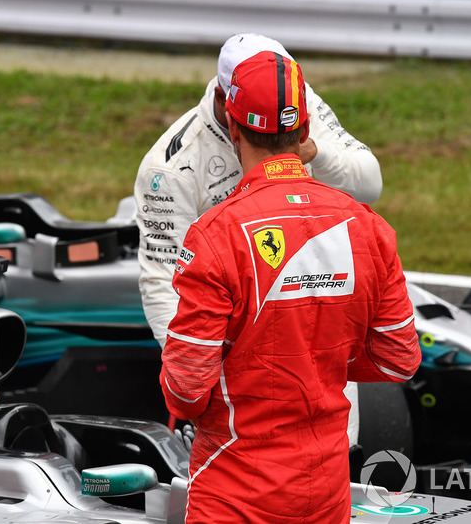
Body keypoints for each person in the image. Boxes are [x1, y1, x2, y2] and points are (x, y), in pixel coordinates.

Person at [159, 51, 421, 523]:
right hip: (327, 491)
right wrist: (319, 361)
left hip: (234, 490)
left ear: (233, 129)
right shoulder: (369, 226)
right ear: (305, 134)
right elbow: (398, 357)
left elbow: (185, 389)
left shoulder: (214, 235)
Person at [135, 33, 382, 445]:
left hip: (320, 353)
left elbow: (368, 184)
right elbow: (163, 283)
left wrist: (316, 152)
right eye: (255, 117)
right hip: (240, 386)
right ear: (226, 104)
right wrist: (196, 382)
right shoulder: (171, 168)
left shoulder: (291, 98)